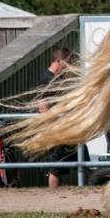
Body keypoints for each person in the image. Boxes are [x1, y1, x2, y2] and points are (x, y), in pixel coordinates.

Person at [38, 48, 76, 188]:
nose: (69, 65)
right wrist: (52, 127)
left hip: (63, 126)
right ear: (59, 61)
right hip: (56, 128)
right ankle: (53, 197)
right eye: (67, 62)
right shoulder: (46, 79)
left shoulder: (56, 78)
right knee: (55, 167)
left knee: (80, 156)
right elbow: (43, 105)